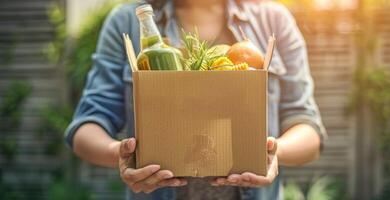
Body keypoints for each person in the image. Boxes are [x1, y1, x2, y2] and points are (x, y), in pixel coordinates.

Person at [64, 0, 327, 199]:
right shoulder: (127, 22)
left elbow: (307, 128)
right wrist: (120, 155)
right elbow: (87, 125)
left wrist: (272, 151)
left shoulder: (273, 20)